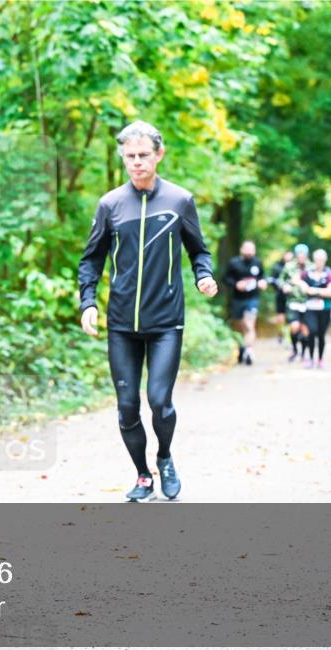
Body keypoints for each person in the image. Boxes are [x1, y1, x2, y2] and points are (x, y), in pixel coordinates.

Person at [78, 121, 218, 502]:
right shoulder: (110, 204)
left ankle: (165, 456)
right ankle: (142, 475)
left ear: (159, 154)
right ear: (123, 157)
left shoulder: (179, 200)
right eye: (129, 156)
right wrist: (88, 301)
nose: (136, 162)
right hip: (121, 323)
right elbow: (91, 259)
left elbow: (198, 250)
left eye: (143, 155)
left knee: (159, 400)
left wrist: (204, 276)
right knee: (126, 405)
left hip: (165, 322)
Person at [223, 240, 268, 365]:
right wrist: (236, 284)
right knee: (240, 327)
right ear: (242, 250)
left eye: (251, 249)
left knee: (249, 324)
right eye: (247, 249)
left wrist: (263, 282)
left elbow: (263, 277)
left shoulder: (257, 263)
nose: (249, 252)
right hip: (238, 300)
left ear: (254, 251)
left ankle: (249, 350)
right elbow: (226, 278)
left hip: (252, 299)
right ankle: (242, 348)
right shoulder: (234, 263)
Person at [298, 249, 331, 369]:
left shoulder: (328, 273)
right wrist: (304, 286)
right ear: (314, 260)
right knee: (312, 331)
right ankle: (310, 359)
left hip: (325, 308)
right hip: (310, 308)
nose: (319, 262)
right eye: (317, 259)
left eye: (322, 260)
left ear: (325, 260)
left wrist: (315, 291)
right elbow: (297, 281)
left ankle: (320, 359)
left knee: (321, 334)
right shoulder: (307, 272)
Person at [279, 244, 311, 363]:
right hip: (293, 301)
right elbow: (281, 280)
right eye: (299, 254)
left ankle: (303, 353)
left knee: (305, 329)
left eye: (304, 254)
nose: (301, 256)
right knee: (294, 327)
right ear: (296, 255)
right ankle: (295, 350)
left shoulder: (311, 267)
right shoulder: (289, 266)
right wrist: (285, 286)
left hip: (307, 302)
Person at [267, 250, 293, 344]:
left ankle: (289, 337)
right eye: (287, 257)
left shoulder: (294, 268)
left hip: (292, 297)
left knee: (290, 317)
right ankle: (281, 334)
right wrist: (278, 286)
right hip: (280, 295)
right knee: (280, 318)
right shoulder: (277, 267)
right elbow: (271, 280)